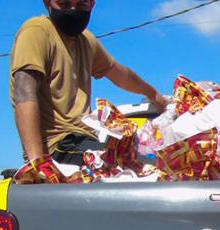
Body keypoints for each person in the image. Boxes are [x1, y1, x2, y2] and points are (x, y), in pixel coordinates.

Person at [10, 0, 168, 166]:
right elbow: (23, 91)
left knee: (154, 159)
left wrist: (154, 94)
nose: (73, 11)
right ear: (47, 2)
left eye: (81, 5)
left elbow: (119, 73)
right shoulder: (36, 31)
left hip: (83, 141)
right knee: (145, 166)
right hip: (57, 147)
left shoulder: (85, 40)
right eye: (64, 5)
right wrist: (38, 163)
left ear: (92, 4)